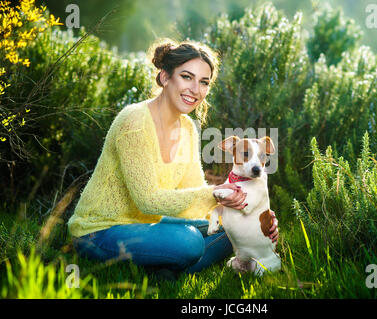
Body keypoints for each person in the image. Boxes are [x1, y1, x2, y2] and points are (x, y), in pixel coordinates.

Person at [67, 38, 279, 278]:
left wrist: (254, 218)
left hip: (148, 224)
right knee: (189, 242)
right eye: (186, 77)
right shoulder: (134, 122)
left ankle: (164, 272)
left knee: (231, 229)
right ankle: (172, 264)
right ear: (165, 77)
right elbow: (147, 201)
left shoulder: (187, 128)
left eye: (204, 82)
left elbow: (194, 195)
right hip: (100, 231)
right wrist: (215, 193)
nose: (195, 90)